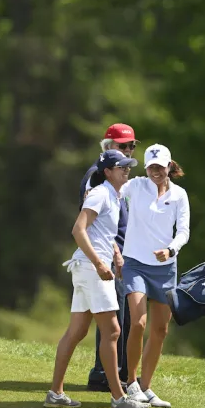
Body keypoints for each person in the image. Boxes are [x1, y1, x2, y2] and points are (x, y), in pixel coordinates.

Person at [46, 150, 150, 408]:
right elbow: (78, 230)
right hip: (91, 268)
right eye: (121, 167)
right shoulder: (101, 193)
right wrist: (100, 263)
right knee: (113, 330)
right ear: (107, 172)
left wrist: (115, 253)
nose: (127, 170)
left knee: (78, 331)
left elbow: (100, 231)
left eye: (128, 167)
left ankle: (55, 393)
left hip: (86, 267)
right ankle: (118, 397)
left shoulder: (114, 196)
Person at [121, 144, 190, 408]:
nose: (155, 172)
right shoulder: (136, 186)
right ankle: (132, 383)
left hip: (165, 267)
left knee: (160, 329)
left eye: (160, 167)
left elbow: (183, 230)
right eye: (151, 167)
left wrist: (171, 249)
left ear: (169, 166)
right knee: (138, 323)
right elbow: (114, 188)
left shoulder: (179, 194)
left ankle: (147, 386)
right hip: (135, 263)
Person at [80, 123, 136, 392]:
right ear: (108, 147)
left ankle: (109, 375)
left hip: (115, 256)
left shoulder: (118, 180)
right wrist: (110, 256)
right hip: (103, 259)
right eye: (122, 146)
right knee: (112, 323)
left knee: (111, 321)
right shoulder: (98, 178)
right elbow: (91, 224)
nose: (127, 151)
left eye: (131, 146)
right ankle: (109, 377)